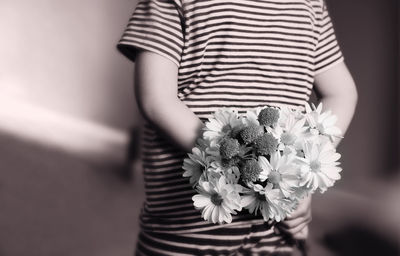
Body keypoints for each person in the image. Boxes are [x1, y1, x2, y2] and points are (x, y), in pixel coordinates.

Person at [117, 0, 358, 255]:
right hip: (189, 229)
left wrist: (306, 169)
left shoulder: (310, 5)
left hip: (275, 229)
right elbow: (156, 98)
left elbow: (341, 93)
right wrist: (226, 154)